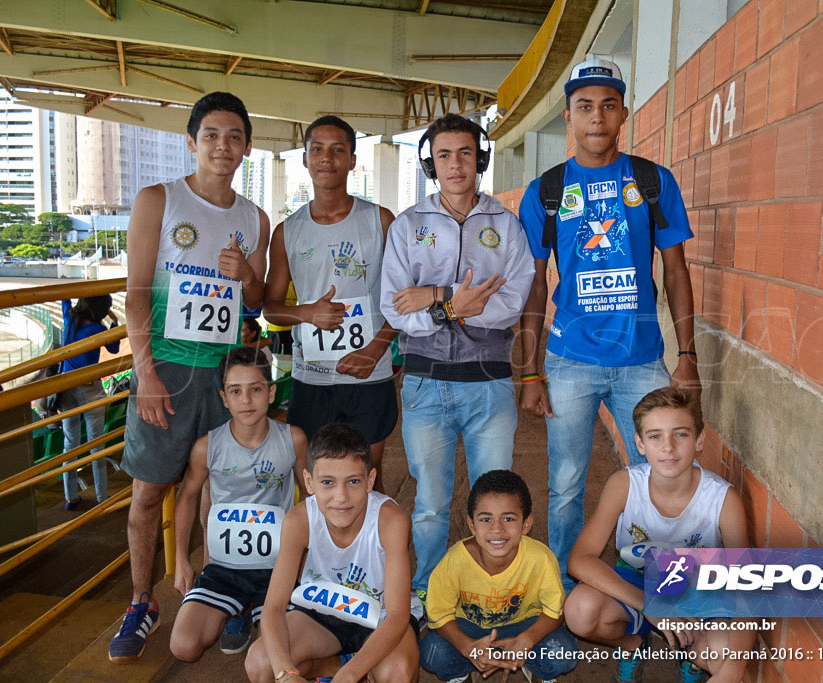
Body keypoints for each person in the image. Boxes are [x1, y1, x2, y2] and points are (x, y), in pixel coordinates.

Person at [517, 57, 698, 590]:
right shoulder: (546, 191)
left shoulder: (652, 181)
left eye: (608, 105)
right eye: (584, 106)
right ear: (569, 117)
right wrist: (529, 371)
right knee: (567, 482)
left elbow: (676, 270)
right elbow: (532, 284)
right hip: (570, 360)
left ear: (623, 114)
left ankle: (663, 586)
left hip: (642, 361)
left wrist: (686, 357)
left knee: (665, 475)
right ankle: (566, 590)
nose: (597, 117)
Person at [112, 91, 270, 663]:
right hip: (167, 370)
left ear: (247, 147)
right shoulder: (159, 199)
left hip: (226, 375)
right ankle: (140, 599)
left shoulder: (256, 217)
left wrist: (247, 272)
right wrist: (144, 370)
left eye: (234, 137)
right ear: (191, 141)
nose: (223, 146)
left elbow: (256, 298)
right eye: (211, 136)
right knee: (150, 490)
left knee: (217, 491)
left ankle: (214, 592)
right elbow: (133, 294)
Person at [380, 112, 535, 600]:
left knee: (496, 502)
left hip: (489, 385)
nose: (455, 164)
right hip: (426, 385)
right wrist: (451, 304)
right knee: (429, 503)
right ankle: (426, 593)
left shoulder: (505, 226)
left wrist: (431, 297)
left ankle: (494, 592)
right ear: (430, 164)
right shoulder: (409, 226)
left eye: (465, 153)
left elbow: (512, 301)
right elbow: (395, 306)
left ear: (481, 159)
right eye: (443, 154)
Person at [564, 387, 751, 682]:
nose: (668, 447)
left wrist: (732, 670)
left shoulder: (723, 500)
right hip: (639, 586)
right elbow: (580, 559)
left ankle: (691, 657)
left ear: (699, 440)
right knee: (579, 609)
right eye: (655, 436)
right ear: (640, 443)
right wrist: (651, 605)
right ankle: (632, 646)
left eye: (681, 434)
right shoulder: (625, 485)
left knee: (724, 651)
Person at [263, 116, 397, 493]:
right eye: (317, 149)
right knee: (317, 481)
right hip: (312, 378)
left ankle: (374, 552)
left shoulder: (380, 221)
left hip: (368, 377)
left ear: (353, 160)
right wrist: (306, 313)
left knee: (367, 479)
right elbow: (270, 308)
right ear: (304, 159)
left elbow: (402, 300)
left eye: (338, 149)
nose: (327, 158)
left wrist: (375, 349)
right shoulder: (287, 230)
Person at [244, 423, 421, 683]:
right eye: (328, 482)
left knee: (396, 673)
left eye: (353, 481)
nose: (341, 496)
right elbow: (273, 607)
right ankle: (334, 664)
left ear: (370, 480)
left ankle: (350, 666)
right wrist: (285, 673)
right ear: (309, 482)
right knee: (261, 663)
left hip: (380, 617)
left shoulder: (391, 520)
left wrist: (349, 676)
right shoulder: (298, 520)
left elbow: (397, 615)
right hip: (323, 614)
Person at [170, 347, 307, 661]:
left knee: (275, 655)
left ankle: (252, 610)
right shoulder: (208, 446)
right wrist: (181, 559)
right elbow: (187, 497)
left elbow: (310, 500)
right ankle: (239, 607)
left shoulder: (293, 439)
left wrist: (309, 561)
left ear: (271, 393)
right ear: (224, 398)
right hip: (223, 568)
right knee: (183, 647)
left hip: (278, 567)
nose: (246, 400)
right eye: (236, 391)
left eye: (255, 389)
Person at [419, 470, 577, 683]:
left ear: (526, 524)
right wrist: (468, 648)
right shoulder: (454, 560)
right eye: (486, 519)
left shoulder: (541, 559)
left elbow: (555, 611)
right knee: (432, 651)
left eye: (509, 518)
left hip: (524, 626)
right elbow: (439, 614)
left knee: (563, 653)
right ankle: (463, 670)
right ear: (472, 524)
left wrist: (527, 640)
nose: (497, 529)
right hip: (471, 630)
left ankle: (533, 666)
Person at [58, 294, 120, 510]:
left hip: (66, 388)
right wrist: (113, 320)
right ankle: (102, 498)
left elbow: (63, 299)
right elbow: (114, 349)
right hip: (90, 390)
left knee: (70, 444)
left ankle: (70, 497)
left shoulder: (69, 320)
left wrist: (78, 295)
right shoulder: (98, 330)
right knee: (96, 444)